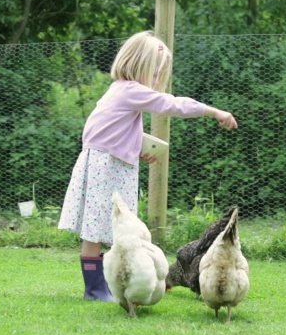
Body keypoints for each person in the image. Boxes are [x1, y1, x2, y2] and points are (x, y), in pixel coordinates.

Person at [57, 31, 238, 301]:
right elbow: (173, 104)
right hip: (105, 167)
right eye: (155, 73)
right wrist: (215, 111)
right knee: (97, 230)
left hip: (107, 162)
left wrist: (135, 147)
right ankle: (95, 290)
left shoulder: (119, 90)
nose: (156, 80)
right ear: (139, 66)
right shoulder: (130, 90)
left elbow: (106, 130)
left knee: (108, 228)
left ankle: (102, 287)